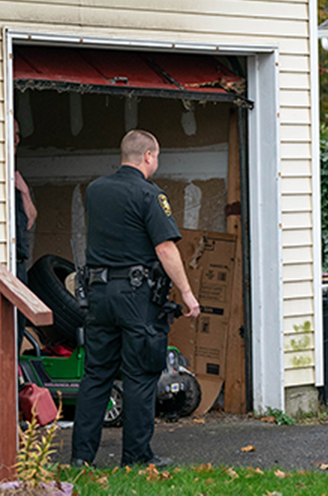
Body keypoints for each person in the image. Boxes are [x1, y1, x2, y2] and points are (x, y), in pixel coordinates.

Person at [71, 130, 201, 468]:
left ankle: (81, 458)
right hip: (136, 296)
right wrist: (187, 292)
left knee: (97, 374)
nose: (156, 162)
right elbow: (164, 247)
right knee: (141, 374)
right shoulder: (149, 194)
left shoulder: (96, 190)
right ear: (147, 156)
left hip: (99, 295)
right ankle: (137, 456)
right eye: (156, 157)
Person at [14, 119, 37, 354]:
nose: (16, 140)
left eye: (19, 134)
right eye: (12, 134)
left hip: (20, 263)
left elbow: (31, 218)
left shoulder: (16, 176)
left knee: (19, 326)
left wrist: (25, 191)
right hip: (5, 265)